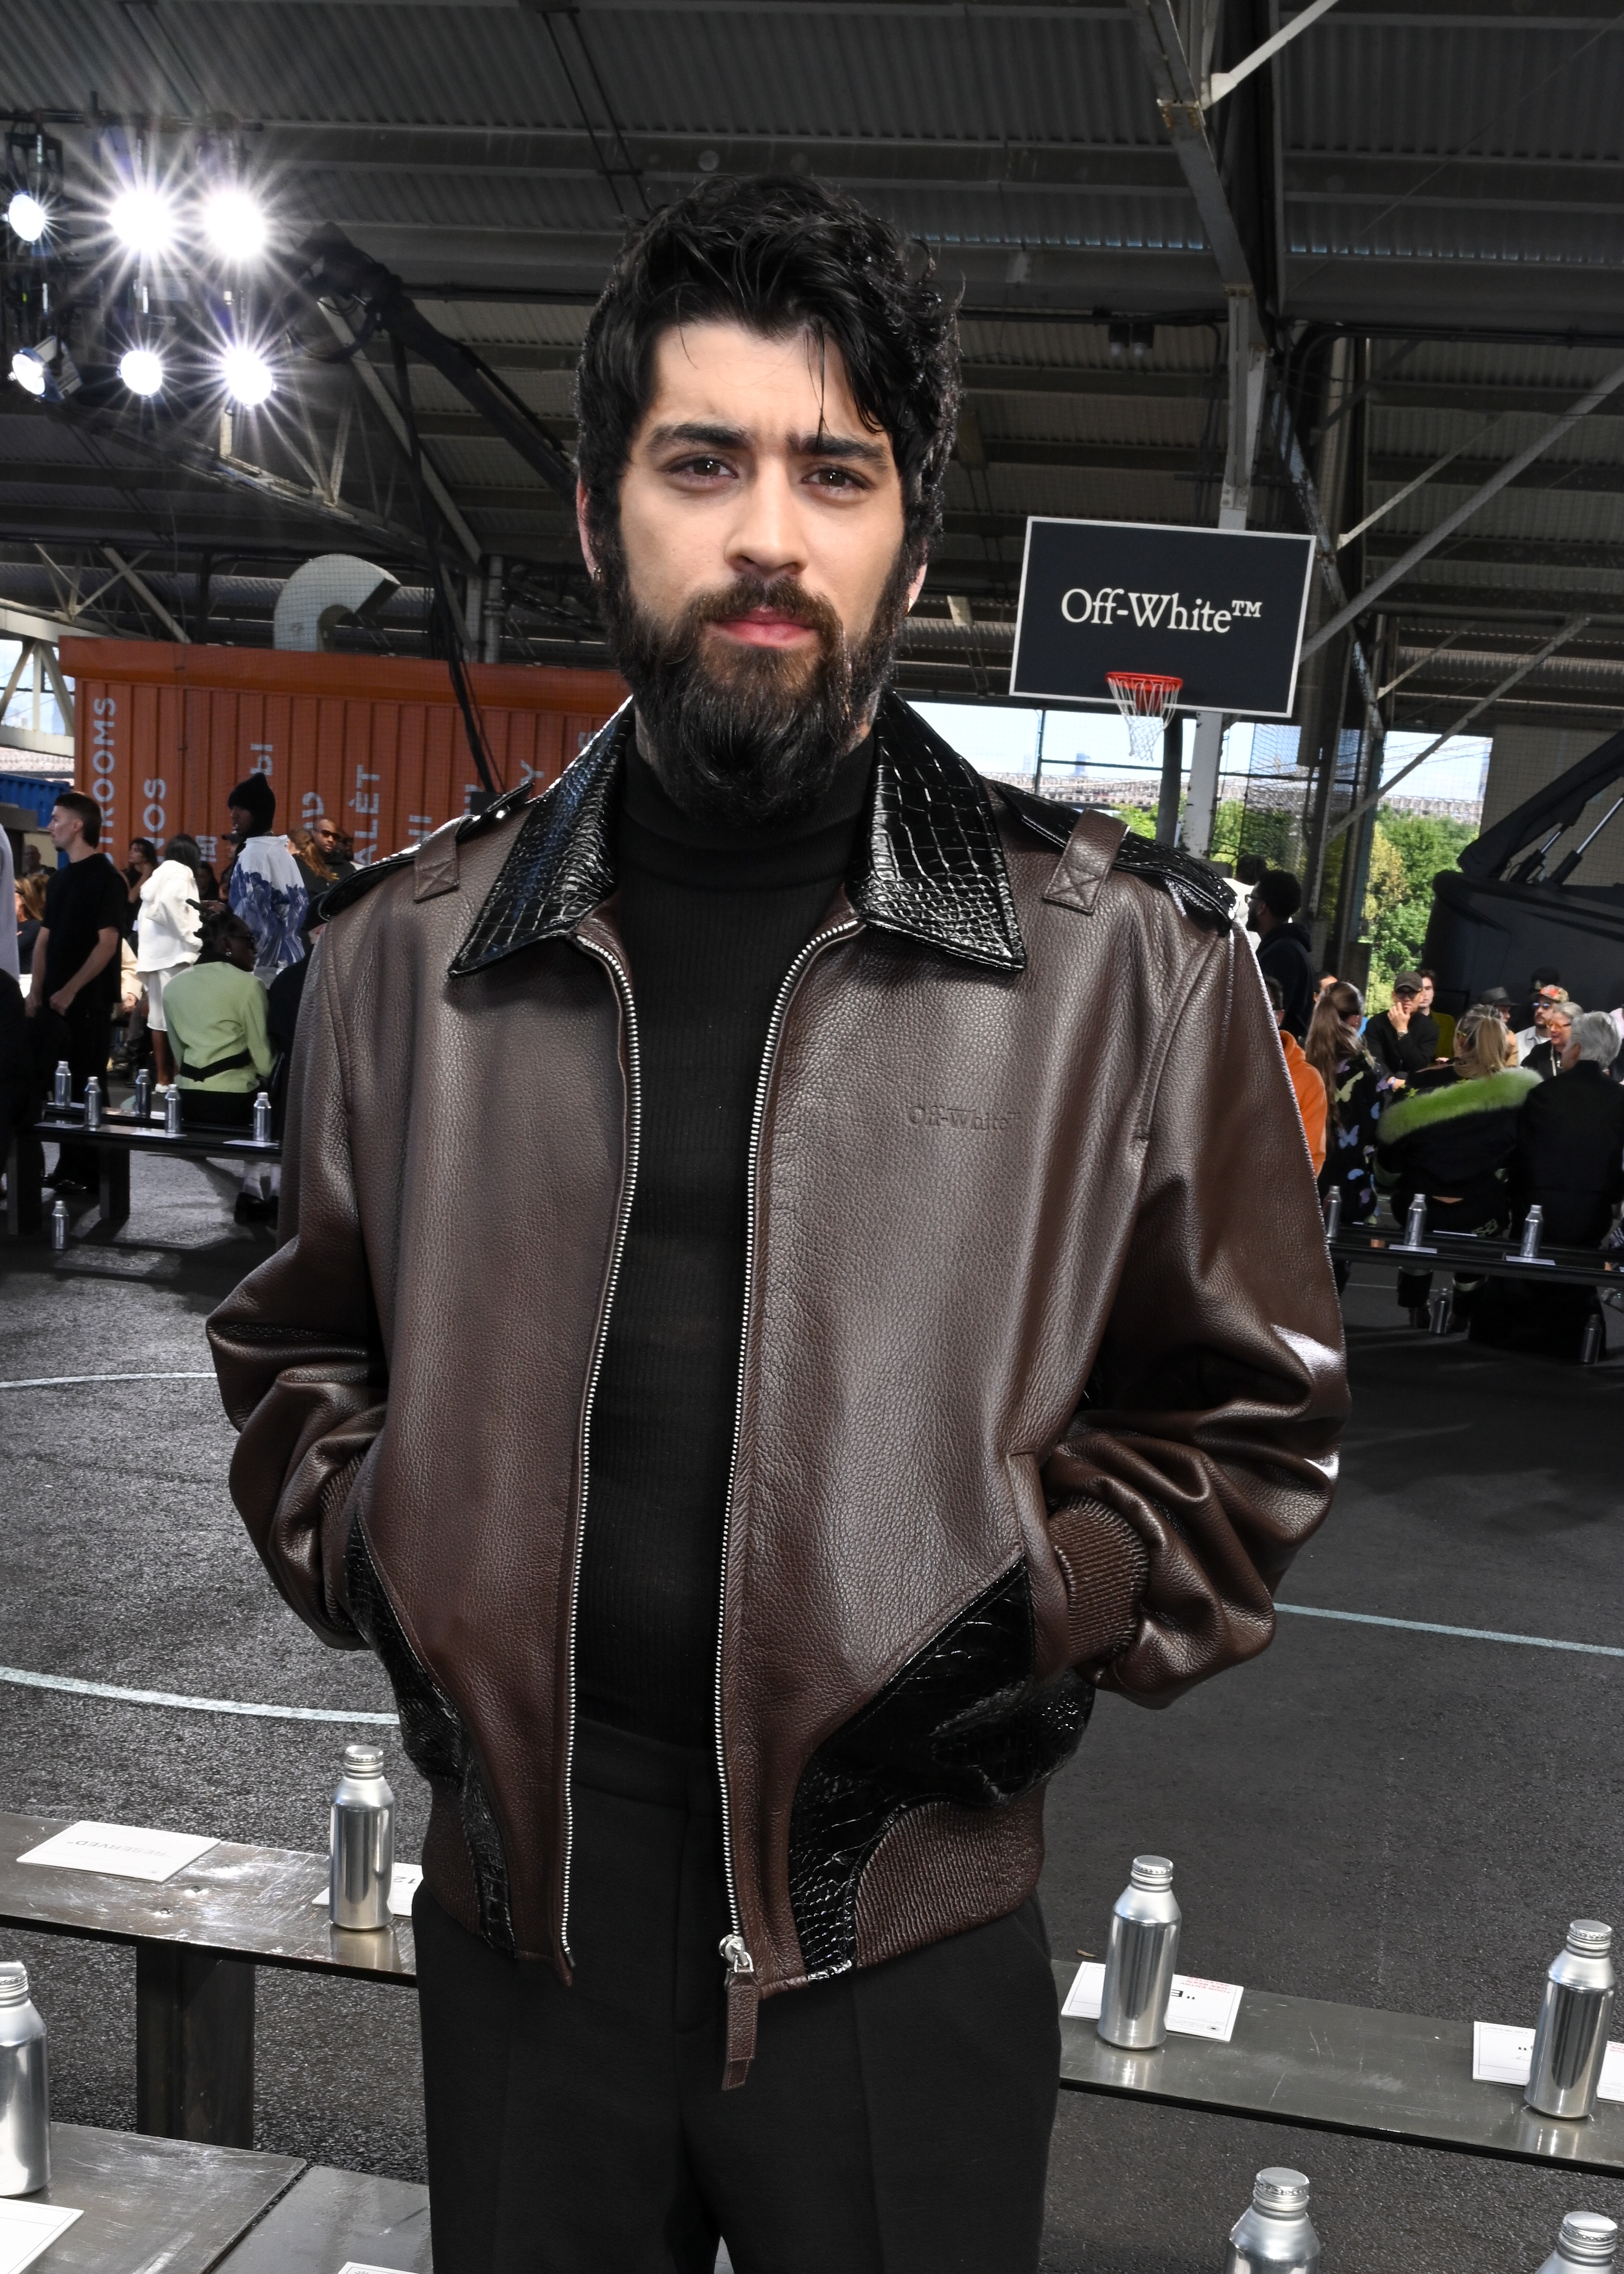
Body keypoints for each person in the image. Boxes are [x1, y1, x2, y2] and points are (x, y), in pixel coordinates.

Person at [207, 175, 1346, 2274]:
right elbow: (293, 1356)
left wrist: (1034, 1601)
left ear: (908, 528)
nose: (768, 535)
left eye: (835, 471)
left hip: (896, 1944)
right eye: (702, 461)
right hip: (521, 1930)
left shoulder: (1131, 969)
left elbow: (1252, 1425)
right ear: (594, 514)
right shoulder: (407, 960)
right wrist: (392, 1545)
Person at [24, 791, 128, 1192]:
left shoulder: (106, 878)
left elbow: (107, 943)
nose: (49, 825)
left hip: (87, 1004)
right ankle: (68, 1164)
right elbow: (45, 940)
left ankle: (91, 1172)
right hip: (53, 1001)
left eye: (55, 818)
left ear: (77, 825)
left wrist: (70, 990)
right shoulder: (61, 878)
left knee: (88, 1086)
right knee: (57, 1086)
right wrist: (36, 991)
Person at [1308, 979, 1390, 1230]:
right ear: (1356, 1020)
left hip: (1301, 1188)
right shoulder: (1367, 1070)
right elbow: (1378, 1131)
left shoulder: (1299, 1063)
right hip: (1350, 1190)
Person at [134, 835, 204, 1088]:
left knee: (158, 1020)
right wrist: (192, 938)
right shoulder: (181, 873)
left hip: (154, 957)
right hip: (175, 955)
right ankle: (178, 1077)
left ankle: (163, 1080)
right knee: (179, 1020)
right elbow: (168, 905)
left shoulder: (158, 876)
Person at [224, 775, 307, 984]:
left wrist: (225, 919)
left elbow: (253, 922)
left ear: (258, 813)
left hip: (262, 971)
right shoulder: (282, 852)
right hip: (291, 962)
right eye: (233, 808)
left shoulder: (254, 854)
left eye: (241, 808)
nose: (233, 815)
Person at [1266, 973, 1326, 1174]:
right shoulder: (1212, 1068)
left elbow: (1310, 1160)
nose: (1253, 1016)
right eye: (1244, 1007)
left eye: (1264, 1007)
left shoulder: (1308, 1080)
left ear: (1280, 1017)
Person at [1248, 869, 1314, 1040]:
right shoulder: (1286, 948)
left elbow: (1263, 1018)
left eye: (1252, 899)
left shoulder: (1282, 954)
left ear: (1262, 907)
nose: (1249, 904)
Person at [1362, 972, 1430, 1085]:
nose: (1407, 999)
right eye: (1401, 993)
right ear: (1393, 996)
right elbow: (1373, 1059)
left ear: (1421, 996)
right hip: (1379, 1086)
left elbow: (1419, 1066)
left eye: (1412, 993)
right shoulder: (1376, 1023)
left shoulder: (1429, 1027)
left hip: (1412, 1087)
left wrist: (1402, 1030)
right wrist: (1391, 1080)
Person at [1522, 999, 1578, 1083]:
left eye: (1558, 1026)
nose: (1552, 1030)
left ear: (1575, 1026)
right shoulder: (1539, 1052)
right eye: (1551, 1024)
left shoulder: (1588, 1052)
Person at [1515, 982, 1567, 1067]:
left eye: (1546, 1006)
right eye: (1537, 1005)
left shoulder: (1565, 1043)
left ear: (1561, 1011)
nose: (1539, 1011)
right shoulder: (1518, 1039)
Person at [14, 875, 46, 982]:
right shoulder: (8, 928)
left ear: (23, 898)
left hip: (25, 981)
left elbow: (14, 948)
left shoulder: (34, 926)